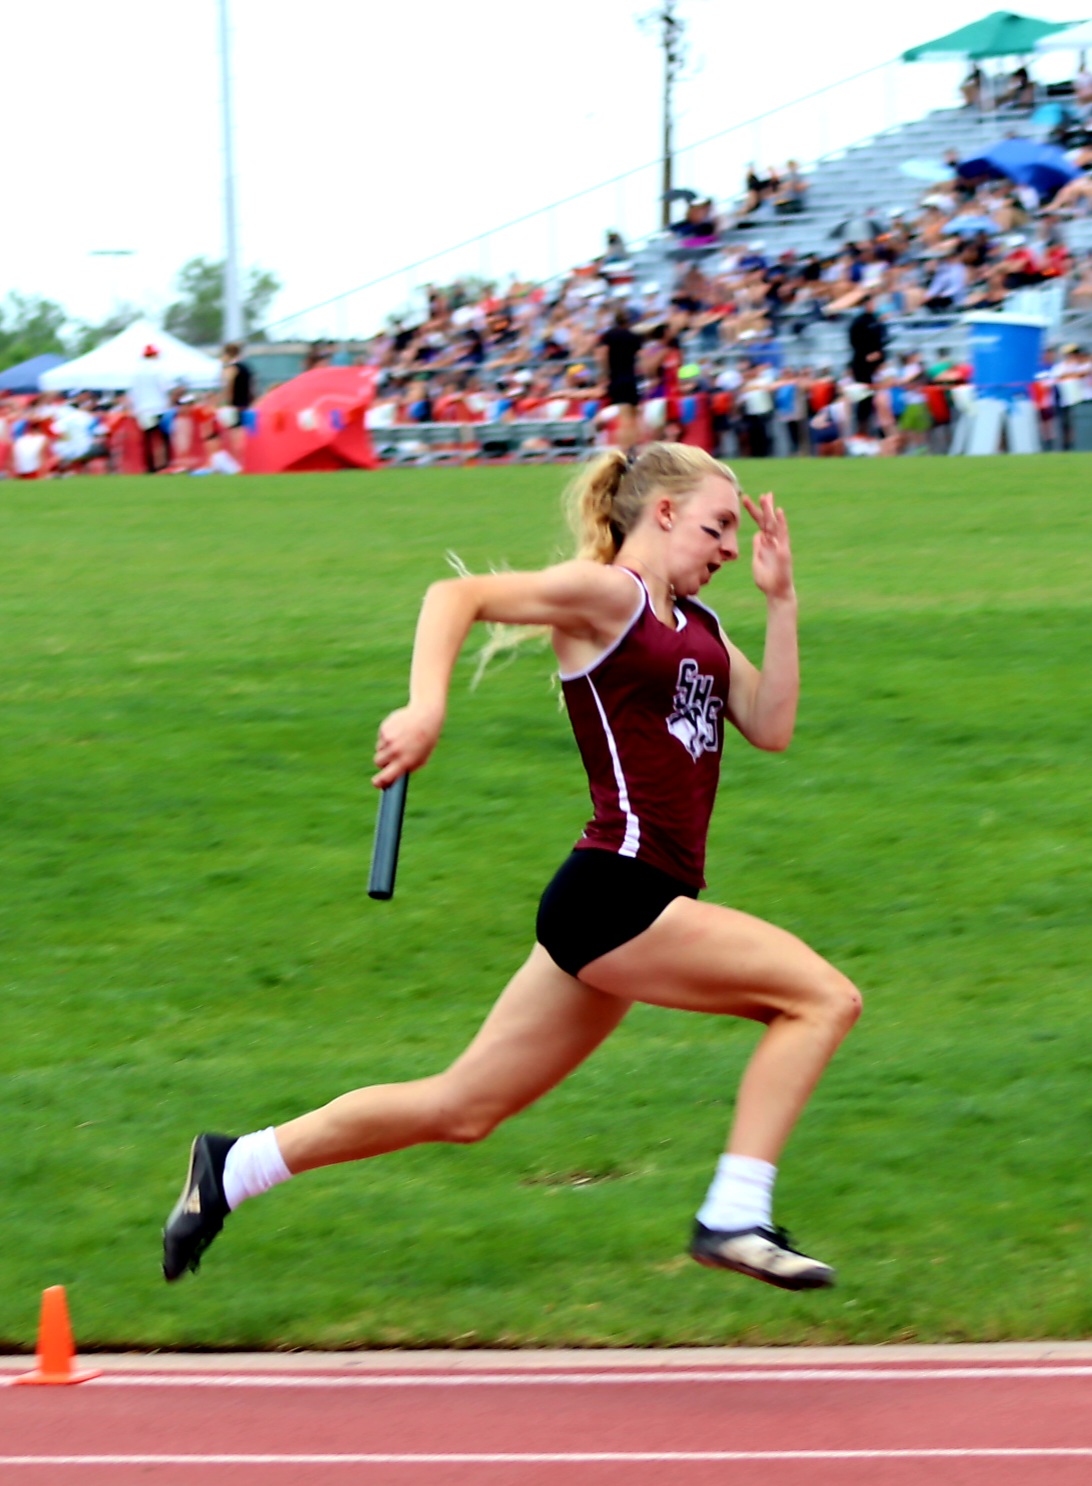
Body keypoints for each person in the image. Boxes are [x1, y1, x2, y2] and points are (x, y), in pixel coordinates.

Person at [162, 444, 862, 1291]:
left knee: (463, 1108)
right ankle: (734, 1215)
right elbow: (455, 596)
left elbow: (771, 724)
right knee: (821, 998)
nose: (728, 546)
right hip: (618, 895)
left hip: (625, 905)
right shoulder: (610, 596)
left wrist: (781, 600)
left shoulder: (702, 629)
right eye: (717, 526)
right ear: (664, 513)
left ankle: (232, 1167)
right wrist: (426, 709)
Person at [597, 308, 644, 452]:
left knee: (624, 417)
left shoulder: (609, 335)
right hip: (631, 379)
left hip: (616, 378)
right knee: (632, 416)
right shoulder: (633, 336)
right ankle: (630, 447)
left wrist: (604, 374)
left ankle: (624, 448)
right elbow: (641, 357)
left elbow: (602, 354)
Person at [128, 344, 172, 473]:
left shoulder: (137, 372)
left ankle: (150, 466)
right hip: (158, 408)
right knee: (163, 438)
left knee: (147, 439)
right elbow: (165, 388)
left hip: (142, 410)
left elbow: (133, 393)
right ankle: (164, 465)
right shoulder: (158, 369)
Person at [219, 342, 254, 463]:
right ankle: (245, 461)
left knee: (236, 436)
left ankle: (239, 462)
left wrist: (225, 403)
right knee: (245, 435)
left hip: (235, 406)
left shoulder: (231, 368)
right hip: (246, 404)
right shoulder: (246, 367)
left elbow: (227, 387)